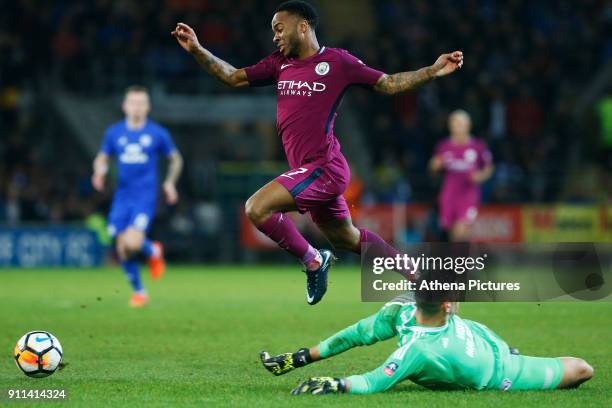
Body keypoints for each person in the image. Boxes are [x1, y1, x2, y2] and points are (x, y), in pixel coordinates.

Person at [172, 1, 464, 304]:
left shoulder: (338, 62)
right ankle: (417, 275)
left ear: (303, 26)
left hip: (324, 167)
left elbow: (388, 83)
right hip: (310, 172)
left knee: (256, 208)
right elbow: (233, 76)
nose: (275, 36)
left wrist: (431, 71)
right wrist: (197, 49)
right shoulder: (278, 64)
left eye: (279, 28)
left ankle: (313, 260)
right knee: (346, 238)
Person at [260, 281, 593, 395]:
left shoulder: (403, 309)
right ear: (448, 305)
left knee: (579, 371)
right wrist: (330, 379)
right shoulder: (419, 346)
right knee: (581, 368)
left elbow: (356, 343)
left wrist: (309, 362)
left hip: (497, 356)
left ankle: (510, 348)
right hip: (505, 368)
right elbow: (373, 378)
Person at [92, 85, 183, 307]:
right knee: (121, 245)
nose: (137, 107)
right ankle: (141, 288)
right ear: (124, 106)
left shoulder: (157, 133)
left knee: (131, 242)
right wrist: (99, 171)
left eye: (141, 103)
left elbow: (176, 159)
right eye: (133, 103)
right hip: (122, 196)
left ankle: (149, 250)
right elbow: (102, 157)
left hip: (145, 196)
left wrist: (170, 183)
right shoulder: (114, 133)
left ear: (148, 107)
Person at [429, 110, 493, 242]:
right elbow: (433, 167)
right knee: (454, 236)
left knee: (461, 230)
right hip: (449, 195)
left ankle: (465, 259)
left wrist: (480, 176)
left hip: (468, 195)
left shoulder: (477, 146)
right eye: (454, 123)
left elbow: (489, 167)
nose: (457, 126)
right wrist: (434, 165)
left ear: (468, 125)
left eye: (460, 123)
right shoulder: (444, 146)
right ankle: (464, 260)